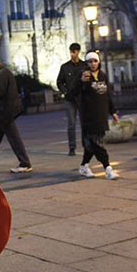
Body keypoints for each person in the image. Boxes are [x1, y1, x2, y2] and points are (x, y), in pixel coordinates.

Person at [72, 52, 119, 180]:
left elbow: (107, 95)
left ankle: (83, 166)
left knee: (91, 145)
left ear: (98, 62)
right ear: (86, 63)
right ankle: (108, 168)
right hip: (88, 115)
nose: (92, 64)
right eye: (89, 61)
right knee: (98, 144)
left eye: (95, 61)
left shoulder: (103, 75)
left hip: (101, 115)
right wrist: (82, 82)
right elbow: (73, 92)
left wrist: (113, 111)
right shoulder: (83, 75)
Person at [56, 42, 86, 156]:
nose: (72, 54)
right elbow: (59, 82)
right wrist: (65, 91)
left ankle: (86, 145)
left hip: (82, 98)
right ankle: (72, 147)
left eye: (74, 52)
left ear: (78, 52)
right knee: (71, 124)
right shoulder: (65, 67)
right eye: (71, 52)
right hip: (70, 99)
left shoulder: (84, 66)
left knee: (84, 123)